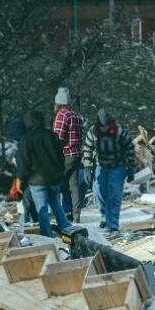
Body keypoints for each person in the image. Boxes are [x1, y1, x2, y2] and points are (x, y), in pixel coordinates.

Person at [16, 111, 71, 238]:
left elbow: (24, 163)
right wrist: (60, 174)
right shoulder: (52, 136)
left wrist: (20, 179)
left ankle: (47, 237)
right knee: (57, 206)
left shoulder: (26, 139)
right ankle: (67, 233)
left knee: (42, 210)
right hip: (54, 179)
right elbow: (61, 159)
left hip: (37, 181)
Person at [83, 109, 135, 232]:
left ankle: (113, 224)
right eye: (102, 127)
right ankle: (104, 217)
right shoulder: (93, 131)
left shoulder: (119, 130)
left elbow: (130, 148)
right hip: (100, 165)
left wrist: (131, 168)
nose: (104, 129)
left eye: (106, 127)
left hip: (117, 166)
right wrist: (87, 167)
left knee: (114, 195)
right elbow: (87, 148)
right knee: (98, 192)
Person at [52, 87, 86, 222]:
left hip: (66, 155)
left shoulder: (62, 115)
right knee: (74, 186)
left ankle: (59, 216)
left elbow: (58, 138)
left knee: (56, 185)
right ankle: (76, 216)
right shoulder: (76, 115)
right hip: (77, 154)